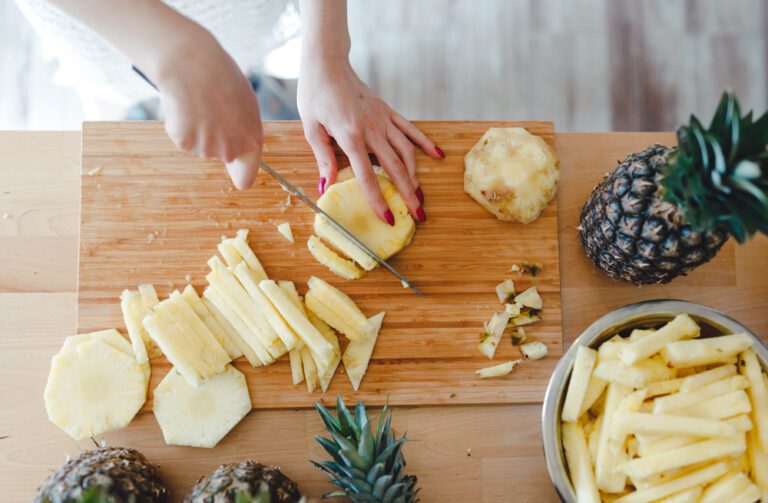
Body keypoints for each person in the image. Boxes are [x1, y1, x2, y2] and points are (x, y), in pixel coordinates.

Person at [15, 0, 443, 225]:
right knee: (112, 89)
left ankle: (245, 86)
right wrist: (169, 50)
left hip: (240, 8)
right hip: (100, 15)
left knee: (241, 58)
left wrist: (328, 52)